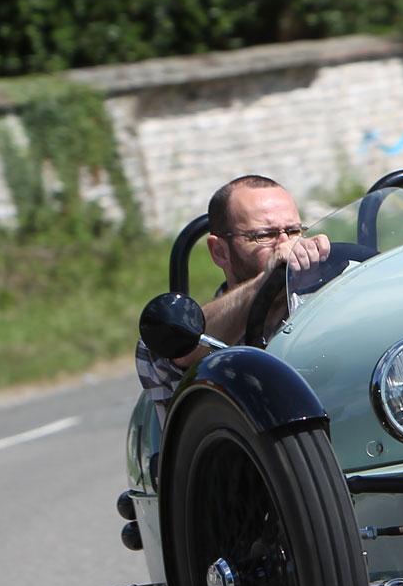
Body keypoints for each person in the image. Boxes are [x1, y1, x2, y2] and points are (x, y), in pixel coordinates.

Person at [135, 174, 331, 423]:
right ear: (220, 252)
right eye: (265, 236)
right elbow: (175, 353)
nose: (286, 246)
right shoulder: (174, 338)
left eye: (293, 232)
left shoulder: (326, 306)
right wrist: (266, 282)